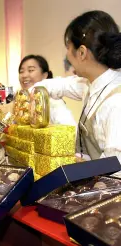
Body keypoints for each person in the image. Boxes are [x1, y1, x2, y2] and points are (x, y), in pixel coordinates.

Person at [35, 10, 121, 162]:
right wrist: (35, 94)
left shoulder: (116, 101)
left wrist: (84, 165)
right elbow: (60, 85)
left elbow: (115, 166)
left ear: (81, 53)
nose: (67, 54)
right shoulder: (90, 83)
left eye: (68, 48)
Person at [18, 54, 76, 125]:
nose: (24, 75)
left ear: (44, 76)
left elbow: (70, 131)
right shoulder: (20, 102)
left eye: (31, 70)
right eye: (21, 71)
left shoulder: (53, 103)